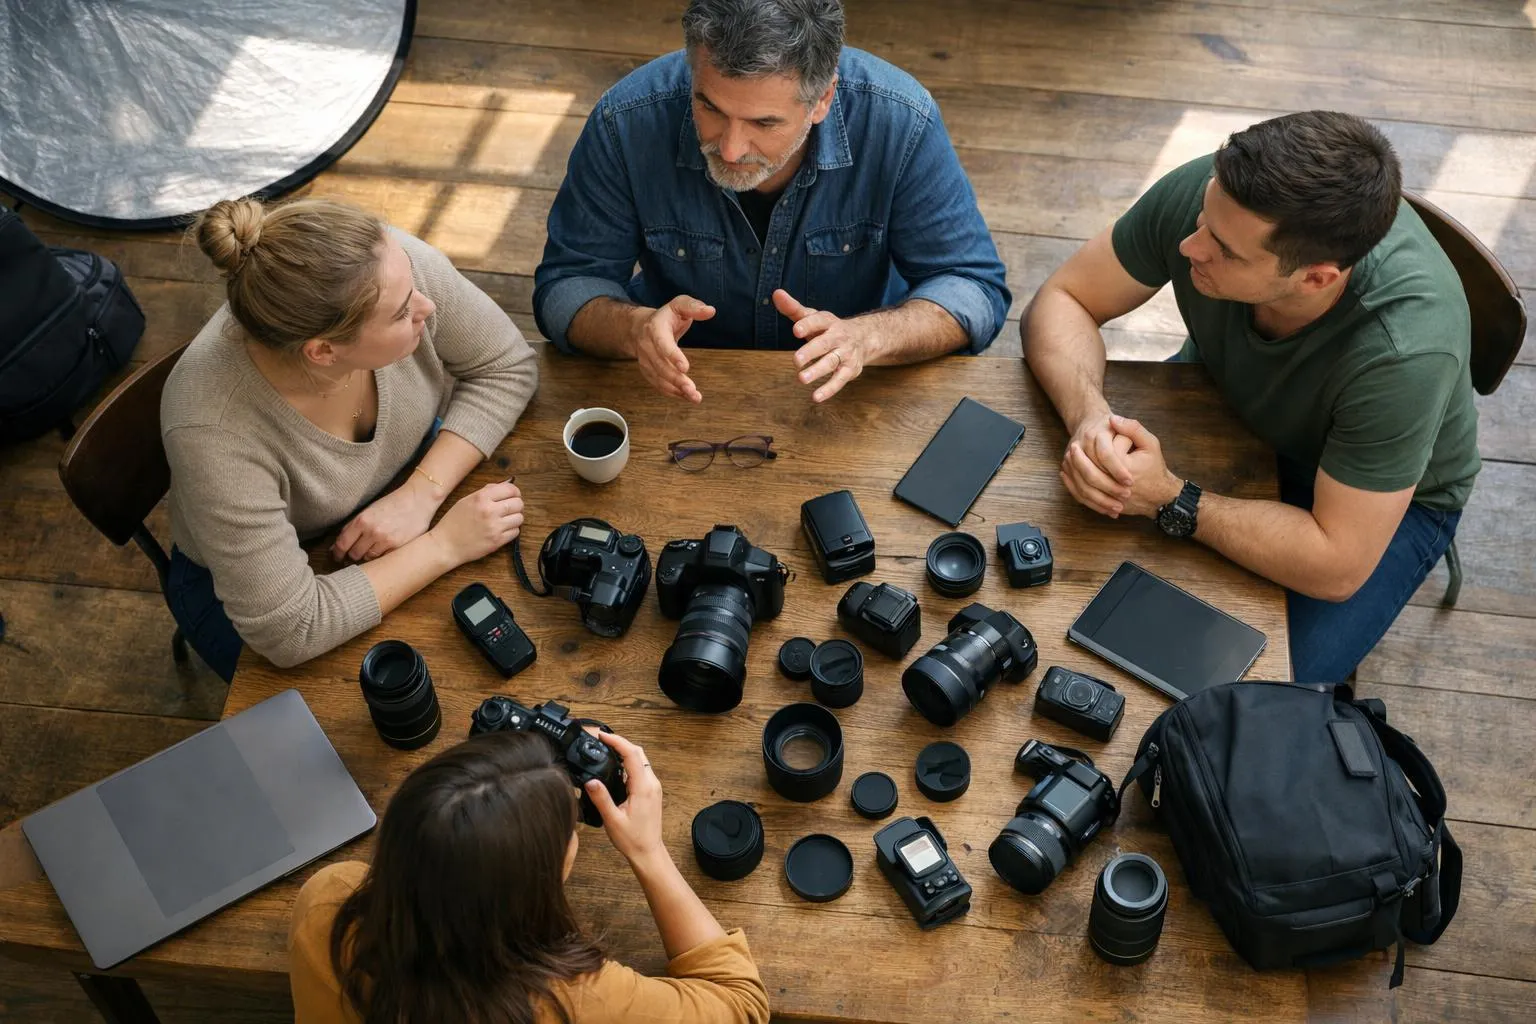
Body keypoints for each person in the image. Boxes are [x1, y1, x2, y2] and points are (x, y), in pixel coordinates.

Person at [1022, 110, 1479, 683]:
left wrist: (1172, 498)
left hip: (1389, 501)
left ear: (1317, 278)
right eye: (1201, 219)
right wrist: (1089, 413)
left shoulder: (1405, 350)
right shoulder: (1224, 202)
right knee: (1058, 576)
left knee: (1244, 692)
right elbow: (1065, 296)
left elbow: (1337, 563)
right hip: (1227, 398)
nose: (1190, 246)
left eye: (1225, 252)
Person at [533, 0, 1009, 405]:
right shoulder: (626, 121)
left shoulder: (899, 121)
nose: (731, 148)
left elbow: (972, 288)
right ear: (692, 65)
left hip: (856, 392)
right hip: (674, 389)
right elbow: (566, 286)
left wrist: (869, 337)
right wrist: (633, 330)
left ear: (823, 99)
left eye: (763, 123)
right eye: (710, 108)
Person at [162, 197, 539, 680]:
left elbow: (507, 364)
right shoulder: (213, 432)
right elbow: (291, 628)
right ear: (323, 352)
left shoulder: (373, 262)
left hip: (409, 487)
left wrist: (420, 494)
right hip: (261, 584)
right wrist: (444, 545)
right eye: (404, 313)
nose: (428, 306)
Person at [288, 729, 772, 1024]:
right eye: (569, 827)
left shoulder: (328, 902)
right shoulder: (567, 1001)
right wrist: (647, 849)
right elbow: (740, 1003)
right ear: (532, 883)